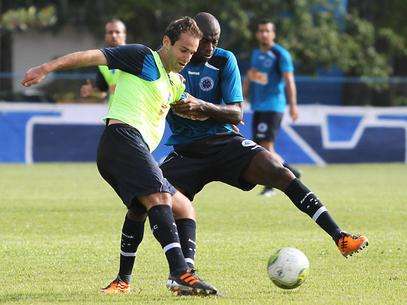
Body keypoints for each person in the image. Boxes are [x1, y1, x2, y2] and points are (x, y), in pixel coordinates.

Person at [104, 12, 368, 294]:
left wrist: (201, 106)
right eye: (204, 42)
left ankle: (340, 237)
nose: (209, 49)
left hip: (224, 142)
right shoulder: (169, 65)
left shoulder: (223, 60)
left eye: (214, 42)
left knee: (279, 170)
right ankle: (129, 279)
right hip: (186, 151)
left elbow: (236, 113)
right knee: (141, 204)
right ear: (190, 40)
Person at [21, 16, 218, 297]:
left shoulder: (174, 82)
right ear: (166, 42)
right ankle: (179, 274)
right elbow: (90, 56)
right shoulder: (141, 57)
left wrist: (211, 115)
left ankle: (127, 280)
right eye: (183, 50)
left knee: (180, 208)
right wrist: (46, 67)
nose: (187, 57)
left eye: (192, 52)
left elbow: (185, 105)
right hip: (122, 139)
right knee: (159, 198)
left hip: (133, 150)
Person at [243, 19, 301, 197]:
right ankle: (292, 172)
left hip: (274, 106)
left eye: (267, 31)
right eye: (261, 31)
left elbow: (289, 80)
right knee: (261, 146)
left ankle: (271, 183)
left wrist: (293, 105)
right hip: (258, 106)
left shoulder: (280, 54)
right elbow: (256, 77)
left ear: (273, 33)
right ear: (257, 34)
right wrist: (245, 91)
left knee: (265, 146)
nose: (264, 34)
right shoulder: (256, 54)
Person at [80, 19, 127, 105]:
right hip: (113, 113)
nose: (114, 35)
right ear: (105, 36)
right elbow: (102, 93)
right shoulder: (102, 64)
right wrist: (92, 92)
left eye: (117, 32)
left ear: (124, 35)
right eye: (110, 32)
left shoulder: (134, 56)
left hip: (134, 113)